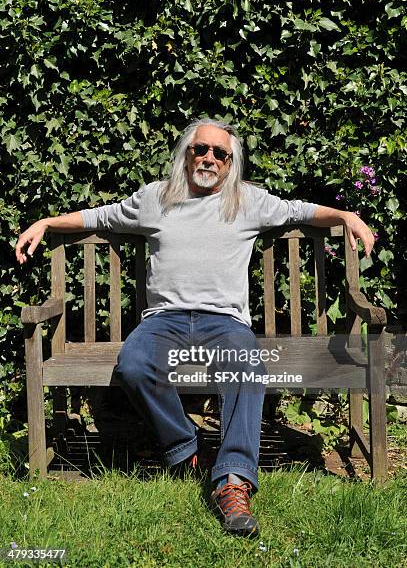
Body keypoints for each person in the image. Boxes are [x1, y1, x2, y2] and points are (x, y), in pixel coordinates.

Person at [16, 118, 374, 538]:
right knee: (132, 364)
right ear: (186, 154)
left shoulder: (247, 202)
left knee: (245, 365)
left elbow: (301, 210)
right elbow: (100, 217)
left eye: (220, 153)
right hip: (163, 321)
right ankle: (186, 448)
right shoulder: (155, 199)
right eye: (200, 149)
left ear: (230, 163)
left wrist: (346, 214)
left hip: (224, 323)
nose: (209, 158)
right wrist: (46, 222)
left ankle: (233, 482)